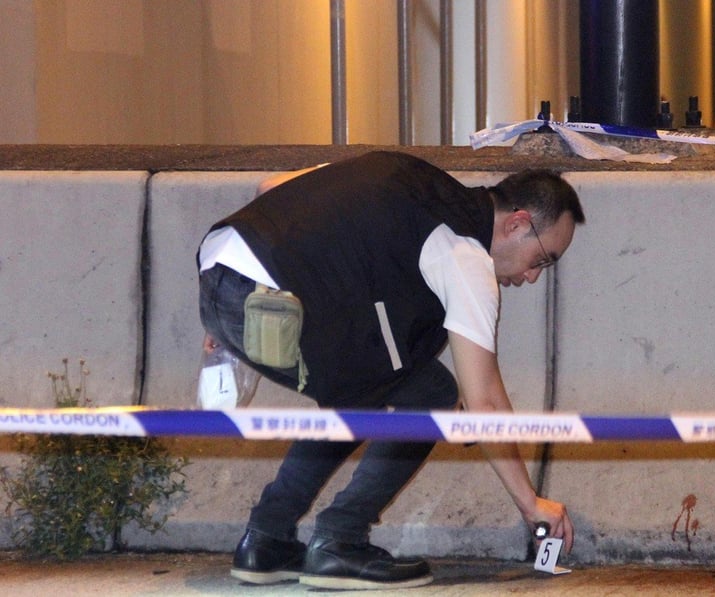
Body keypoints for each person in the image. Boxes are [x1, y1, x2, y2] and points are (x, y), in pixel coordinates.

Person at [196, 150, 585, 590]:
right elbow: (487, 401)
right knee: (431, 396)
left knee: (363, 384)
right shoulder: (464, 252)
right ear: (516, 223)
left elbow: (271, 188)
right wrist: (531, 503)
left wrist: (225, 312)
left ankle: (266, 542)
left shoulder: (407, 174)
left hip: (220, 275)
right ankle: (339, 542)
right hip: (269, 301)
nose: (534, 277)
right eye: (542, 259)